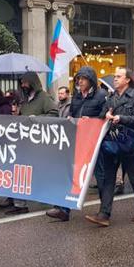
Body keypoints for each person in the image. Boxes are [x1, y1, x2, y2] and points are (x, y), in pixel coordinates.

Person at [46, 67, 109, 222]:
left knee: (101, 177)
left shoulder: (102, 95)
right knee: (71, 173)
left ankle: (104, 212)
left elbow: (105, 116)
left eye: (83, 78)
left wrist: (93, 121)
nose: (79, 81)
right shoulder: (77, 96)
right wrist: (71, 119)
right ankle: (63, 209)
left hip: (95, 144)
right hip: (78, 141)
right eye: (78, 79)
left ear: (91, 80)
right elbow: (74, 114)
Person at [85, 67, 134, 227]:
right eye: (115, 76)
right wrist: (105, 115)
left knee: (133, 178)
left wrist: (121, 118)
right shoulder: (110, 97)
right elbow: (101, 115)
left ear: (127, 80)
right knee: (109, 179)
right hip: (112, 143)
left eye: (119, 76)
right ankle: (104, 214)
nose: (115, 79)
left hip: (128, 144)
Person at [2, 72, 58, 215]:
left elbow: (54, 114)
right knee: (20, 170)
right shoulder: (24, 100)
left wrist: (37, 118)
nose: (23, 85)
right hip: (25, 142)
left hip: (40, 143)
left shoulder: (44, 97)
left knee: (44, 173)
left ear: (32, 82)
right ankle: (20, 204)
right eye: (22, 83)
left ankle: (58, 201)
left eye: (25, 83)